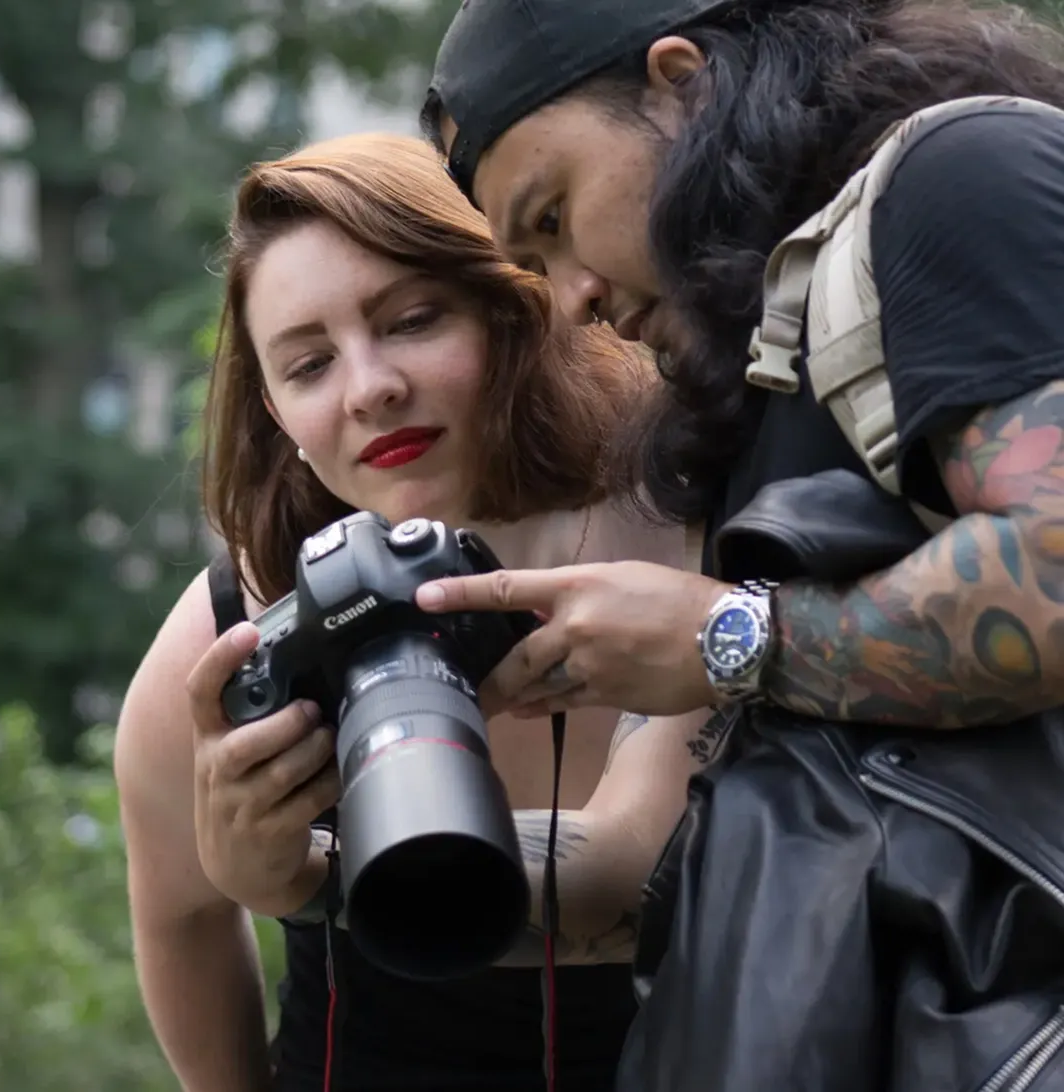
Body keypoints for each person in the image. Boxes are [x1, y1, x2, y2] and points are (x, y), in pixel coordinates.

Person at [416, 0, 1064, 1089]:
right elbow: (647, 866)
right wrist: (319, 861)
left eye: (556, 217)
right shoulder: (772, 363)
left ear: (682, 83)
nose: (569, 300)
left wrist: (732, 638)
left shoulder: (960, 171)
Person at [113, 132, 718, 1092]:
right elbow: (181, 913)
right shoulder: (236, 628)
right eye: (308, 366)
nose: (371, 387)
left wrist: (306, 879)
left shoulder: (689, 533)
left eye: (412, 320)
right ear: (275, 411)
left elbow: (636, 871)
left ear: (510, 307)